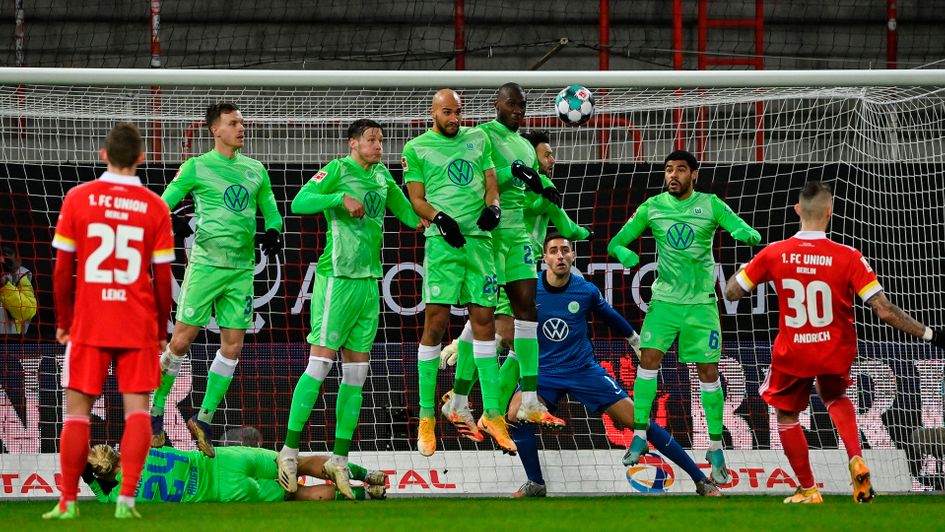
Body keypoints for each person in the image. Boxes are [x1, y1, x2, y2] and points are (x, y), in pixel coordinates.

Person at [724, 180, 945, 504]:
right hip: (835, 349)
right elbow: (884, 310)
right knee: (835, 396)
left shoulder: (774, 253)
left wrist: (745, 269)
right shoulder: (849, 256)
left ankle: (808, 489)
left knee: (787, 416)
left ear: (797, 210)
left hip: (794, 351)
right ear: (829, 212)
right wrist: (931, 334)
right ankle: (855, 457)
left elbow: (731, 292)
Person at [506, 233, 721, 497]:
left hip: (583, 370)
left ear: (573, 256)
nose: (560, 256)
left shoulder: (585, 290)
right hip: (544, 372)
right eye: (553, 251)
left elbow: (610, 317)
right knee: (514, 415)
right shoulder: (529, 289)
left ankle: (700, 480)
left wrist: (635, 341)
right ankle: (536, 483)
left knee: (639, 421)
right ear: (544, 258)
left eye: (565, 250)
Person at [276, 119, 423, 498]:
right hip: (337, 280)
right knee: (320, 364)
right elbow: (299, 202)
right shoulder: (337, 170)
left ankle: (339, 460)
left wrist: (433, 214)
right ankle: (288, 452)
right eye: (372, 140)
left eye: (381, 140)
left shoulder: (383, 177)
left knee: (357, 373)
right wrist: (338, 199)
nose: (379, 146)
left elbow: (409, 216)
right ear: (353, 143)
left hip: (369, 283)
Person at [608, 149, 761, 483]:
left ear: (694, 174)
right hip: (664, 303)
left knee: (708, 372)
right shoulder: (652, 207)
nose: (673, 175)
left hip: (701, 305)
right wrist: (622, 251)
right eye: (668, 170)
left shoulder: (711, 204)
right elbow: (616, 241)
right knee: (647, 361)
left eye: (680, 169)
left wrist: (743, 232)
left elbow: (743, 228)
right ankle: (639, 435)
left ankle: (716, 447)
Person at [46, 122, 174, 519]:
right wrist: (160, 330)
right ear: (141, 158)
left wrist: (64, 320)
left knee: (76, 413)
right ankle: (126, 500)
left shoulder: (78, 197)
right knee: (137, 412)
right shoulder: (155, 206)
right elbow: (163, 279)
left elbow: (61, 269)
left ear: (103, 154)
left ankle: (68, 502)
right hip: (137, 323)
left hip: (91, 321)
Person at [442, 86, 585, 439]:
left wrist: (542, 185)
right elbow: (477, 177)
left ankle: (529, 400)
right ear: (497, 105)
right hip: (489, 236)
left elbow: (529, 184)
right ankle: (463, 401)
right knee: (487, 321)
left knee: (526, 313)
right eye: (511, 104)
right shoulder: (481, 136)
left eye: (522, 105)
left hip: (518, 237)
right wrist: (515, 172)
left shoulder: (524, 146)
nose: (517, 110)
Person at [150, 102, 284, 458]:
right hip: (206, 267)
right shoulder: (197, 166)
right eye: (233, 123)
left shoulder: (255, 170)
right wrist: (171, 221)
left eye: (242, 122)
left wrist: (274, 230)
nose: (241, 128)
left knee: (233, 347)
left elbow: (271, 211)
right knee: (181, 342)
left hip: (241, 271)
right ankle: (155, 412)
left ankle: (203, 419)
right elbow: (161, 205)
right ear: (215, 130)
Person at [402, 88, 514, 456]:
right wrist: (439, 218)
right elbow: (416, 199)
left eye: (458, 112)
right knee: (435, 326)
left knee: (485, 324)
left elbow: (491, 182)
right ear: (433, 112)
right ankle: (426, 417)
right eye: (447, 112)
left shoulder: (478, 138)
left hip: (479, 245)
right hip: (442, 246)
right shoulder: (416, 148)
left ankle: (494, 414)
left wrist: (494, 207)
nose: (454, 119)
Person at [82, 442, 387, 503]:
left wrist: (90, 480)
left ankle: (368, 494)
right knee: (300, 462)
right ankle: (367, 474)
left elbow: (102, 495)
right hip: (224, 460)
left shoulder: (119, 497)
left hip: (224, 490)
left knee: (300, 495)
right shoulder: (137, 448)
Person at [0, 243, 37, 335]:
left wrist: (5, 286)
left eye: (6, 253)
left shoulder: (20, 277)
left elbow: (26, 313)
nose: (2, 258)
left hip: (7, 337)